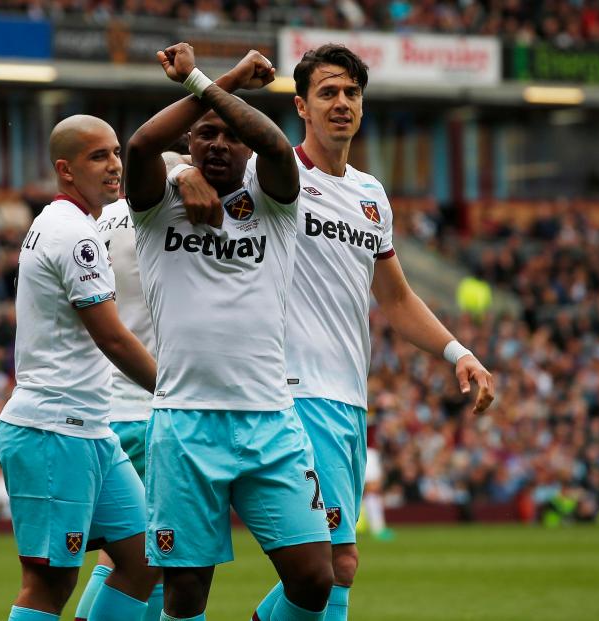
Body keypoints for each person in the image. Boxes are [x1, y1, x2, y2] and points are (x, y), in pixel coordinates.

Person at [242, 44, 496, 621]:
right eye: (327, 92)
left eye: (351, 93)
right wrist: (185, 179)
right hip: (295, 391)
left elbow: (398, 298)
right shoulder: (274, 172)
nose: (341, 103)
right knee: (337, 562)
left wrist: (457, 352)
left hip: (349, 399)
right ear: (302, 106)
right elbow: (204, 156)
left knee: (329, 567)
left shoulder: (370, 195)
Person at [126, 44, 334, 621]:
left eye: (229, 135)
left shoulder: (276, 203)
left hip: (270, 417)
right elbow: (140, 145)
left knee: (315, 579)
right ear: (187, 141)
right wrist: (222, 85)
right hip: (185, 422)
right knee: (187, 592)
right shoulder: (157, 204)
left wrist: (204, 80)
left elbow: (272, 142)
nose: (218, 143)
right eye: (204, 134)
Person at [0, 114, 159, 621]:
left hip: (91, 429)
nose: (115, 166)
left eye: (116, 153)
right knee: (49, 582)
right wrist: (175, 389)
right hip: (53, 429)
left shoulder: (69, 226)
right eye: (99, 157)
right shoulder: (74, 235)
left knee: (145, 559)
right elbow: (111, 335)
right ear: (66, 170)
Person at [73, 140, 191, 620]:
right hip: (150, 405)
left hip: (108, 404)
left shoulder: (98, 222)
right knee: (159, 556)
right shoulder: (160, 217)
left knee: (130, 555)